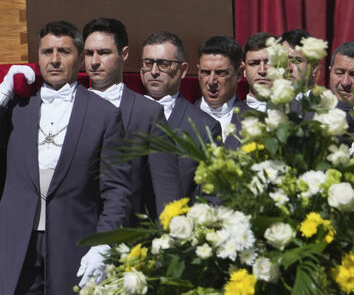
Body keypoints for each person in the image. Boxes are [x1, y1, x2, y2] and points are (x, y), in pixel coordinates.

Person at [0, 20, 131, 294]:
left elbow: (116, 191)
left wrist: (104, 244)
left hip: (73, 243)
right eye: (46, 52)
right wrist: (3, 90)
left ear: (79, 60)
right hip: (16, 241)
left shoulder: (105, 114)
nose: (54, 60)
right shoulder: (20, 107)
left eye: (64, 52)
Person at [82, 18, 180, 223]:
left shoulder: (148, 113)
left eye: (104, 53)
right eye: (89, 53)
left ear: (124, 54)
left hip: (128, 238)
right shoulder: (69, 107)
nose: (94, 62)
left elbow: (165, 188)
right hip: (72, 237)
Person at [139, 31, 221, 201]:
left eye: (163, 64)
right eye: (148, 63)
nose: (154, 71)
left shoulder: (204, 126)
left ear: (183, 70)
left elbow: (210, 195)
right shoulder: (121, 113)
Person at [194, 36, 247, 148]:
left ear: (239, 74)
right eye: (205, 72)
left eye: (220, 73)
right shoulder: (182, 118)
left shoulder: (255, 121)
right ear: (198, 72)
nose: (211, 81)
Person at [242, 32, 274, 112]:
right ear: (244, 70)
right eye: (254, 63)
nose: (262, 71)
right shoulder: (230, 115)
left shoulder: (300, 111)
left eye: (269, 62)